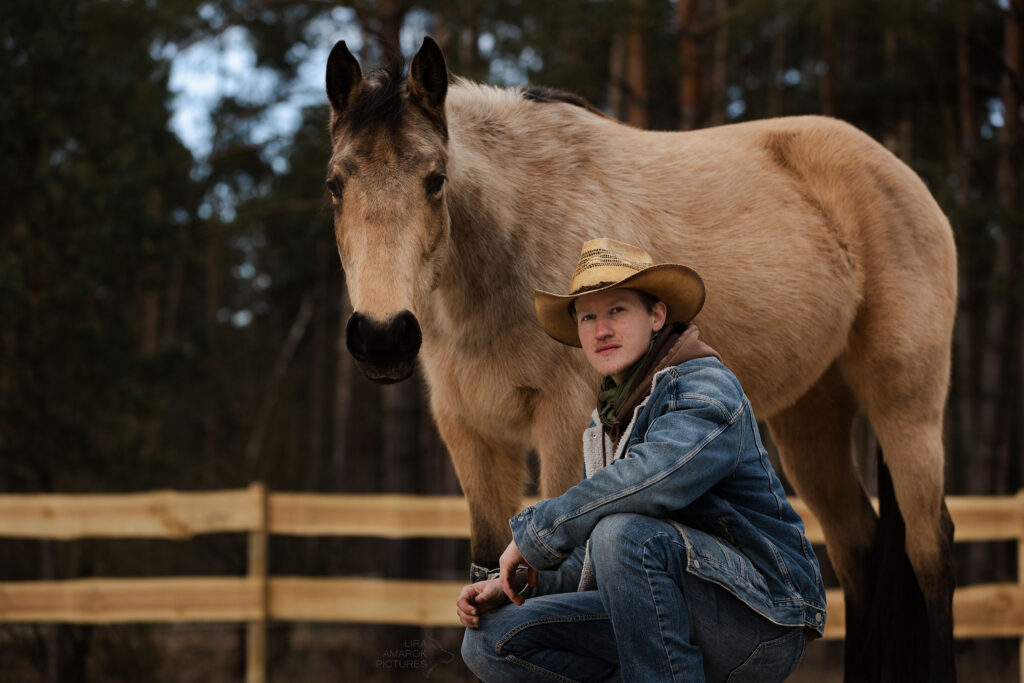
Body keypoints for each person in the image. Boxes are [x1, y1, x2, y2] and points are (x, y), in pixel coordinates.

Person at [457, 238, 827, 682]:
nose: (602, 330)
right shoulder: (609, 419)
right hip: (662, 609)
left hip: (762, 618)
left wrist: (541, 531)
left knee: (624, 534)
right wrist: (526, 582)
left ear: (657, 316)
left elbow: (653, 480)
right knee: (490, 638)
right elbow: (599, 562)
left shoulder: (705, 386)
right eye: (588, 317)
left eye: (617, 311)